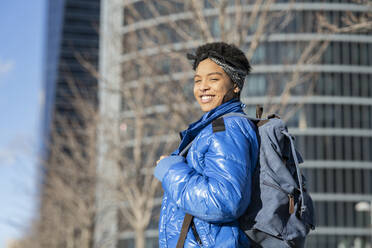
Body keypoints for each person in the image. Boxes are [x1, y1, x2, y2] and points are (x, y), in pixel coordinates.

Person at [154, 42, 259, 247]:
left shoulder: (226, 128)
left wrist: (171, 171)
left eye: (213, 79)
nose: (203, 87)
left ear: (235, 84)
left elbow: (225, 200)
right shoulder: (215, 127)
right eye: (197, 80)